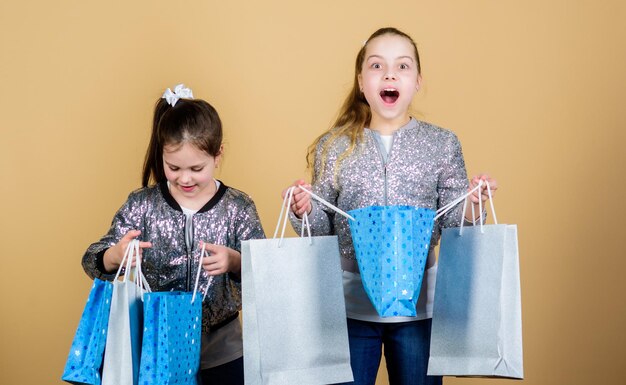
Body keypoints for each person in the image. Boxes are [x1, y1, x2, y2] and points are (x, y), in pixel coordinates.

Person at [284, 28, 498, 385]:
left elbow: (456, 223)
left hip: (420, 311)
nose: (389, 74)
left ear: (417, 81)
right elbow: (321, 230)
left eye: (402, 66)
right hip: (350, 310)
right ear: (361, 81)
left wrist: (474, 203)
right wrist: (303, 208)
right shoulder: (333, 146)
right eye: (377, 66)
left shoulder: (442, 144)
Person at [82, 84, 265, 385]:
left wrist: (234, 261)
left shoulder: (238, 207)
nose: (185, 178)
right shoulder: (142, 204)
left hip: (225, 348)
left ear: (218, 155)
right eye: (173, 167)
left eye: (196, 168)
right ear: (162, 155)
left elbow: (267, 273)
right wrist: (115, 256)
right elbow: (91, 260)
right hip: (157, 345)